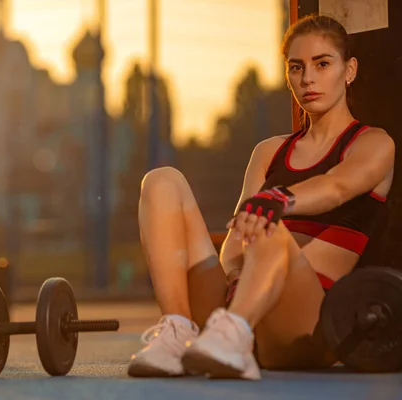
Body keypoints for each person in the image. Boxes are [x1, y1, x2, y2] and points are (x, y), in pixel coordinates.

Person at [127, 13, 395, 380]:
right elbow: (234, 248)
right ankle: (178, 331)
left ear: (349, 70)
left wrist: (279, 201)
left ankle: (234, 332)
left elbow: (338, 186)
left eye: (322, 64)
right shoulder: (268, 151)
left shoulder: (373, 143)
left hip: (307, 326)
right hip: (234, 307)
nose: (308, 78)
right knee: (162, 180)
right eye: (296, 67)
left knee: (269, 227)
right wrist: (240, 273)